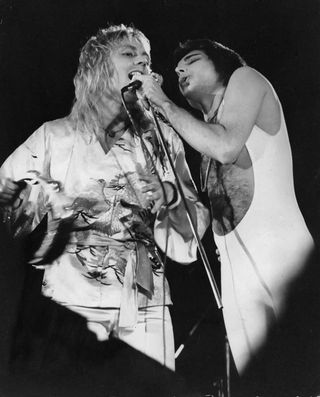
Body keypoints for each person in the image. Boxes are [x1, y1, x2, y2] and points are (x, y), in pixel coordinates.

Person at [0, 25, 209, 372]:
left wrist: (170, 195)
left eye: (146, 58)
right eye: (129, 54)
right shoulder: (55, 137)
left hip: (145, 309)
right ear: (97, 67)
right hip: (70, 307)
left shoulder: (162, 139)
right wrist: (41, 199)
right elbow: (9, 205)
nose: (141, 62)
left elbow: (191, 235)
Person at [133, 38, 315, 374]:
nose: (178, 70)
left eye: (191, 59)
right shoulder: (205, 136)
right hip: (234, 267)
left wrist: (164, 103)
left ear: (222, 64)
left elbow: (228, 147)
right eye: (176, 68)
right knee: (260, 379)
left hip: (281, 252)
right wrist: (169, 194)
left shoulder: (245, 78)